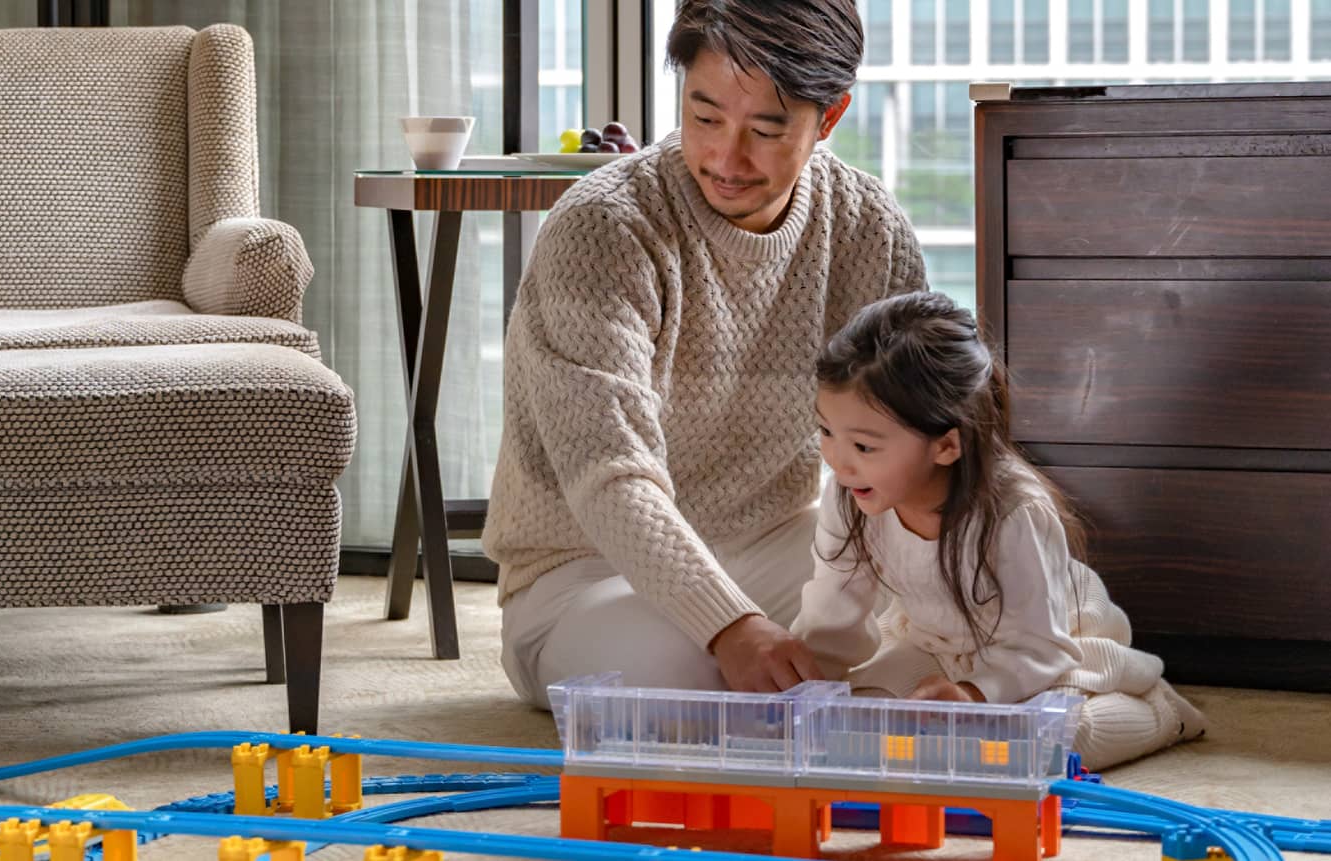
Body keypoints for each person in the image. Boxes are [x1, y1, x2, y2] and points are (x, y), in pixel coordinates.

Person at [482, 0, 928, 709]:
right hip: (586, 574)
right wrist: (730, 627)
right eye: (706, 116)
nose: (726, 159)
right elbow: (610, 475)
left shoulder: (870, 229)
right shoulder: (603, 227)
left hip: (778, 547)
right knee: (687, 683)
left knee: (958, 612)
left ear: (830, 117)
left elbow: (920, 432)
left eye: (766, 130)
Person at [791, 291, 1207, 769]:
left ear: (946, 446)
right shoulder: (851, 494)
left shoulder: (1013, 512)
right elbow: (832, 614)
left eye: (863, 447)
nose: (838, 462)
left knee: (1049, 744)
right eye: (826, 432)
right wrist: (801, 691)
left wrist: (972, 694)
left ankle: (1159, 711)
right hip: (933, 643)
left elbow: (1039, 645)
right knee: (853, 719)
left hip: (1052, 645)